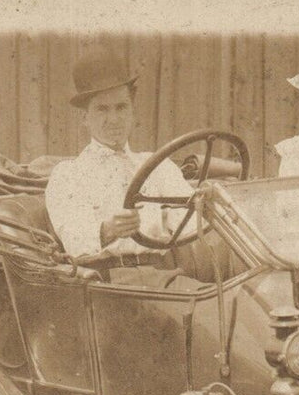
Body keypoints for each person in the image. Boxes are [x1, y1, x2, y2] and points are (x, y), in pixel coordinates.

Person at [44, 46, 202, 290]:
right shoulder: (68, 175)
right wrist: (107, 230)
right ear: (84, 118)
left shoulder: (156, 166)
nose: (114, 119)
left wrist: (204, 204)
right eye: (102, 109)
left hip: (163, 277)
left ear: (132, 109)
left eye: (121, 107)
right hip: (105, 287)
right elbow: (74, 241)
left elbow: (191, 226)